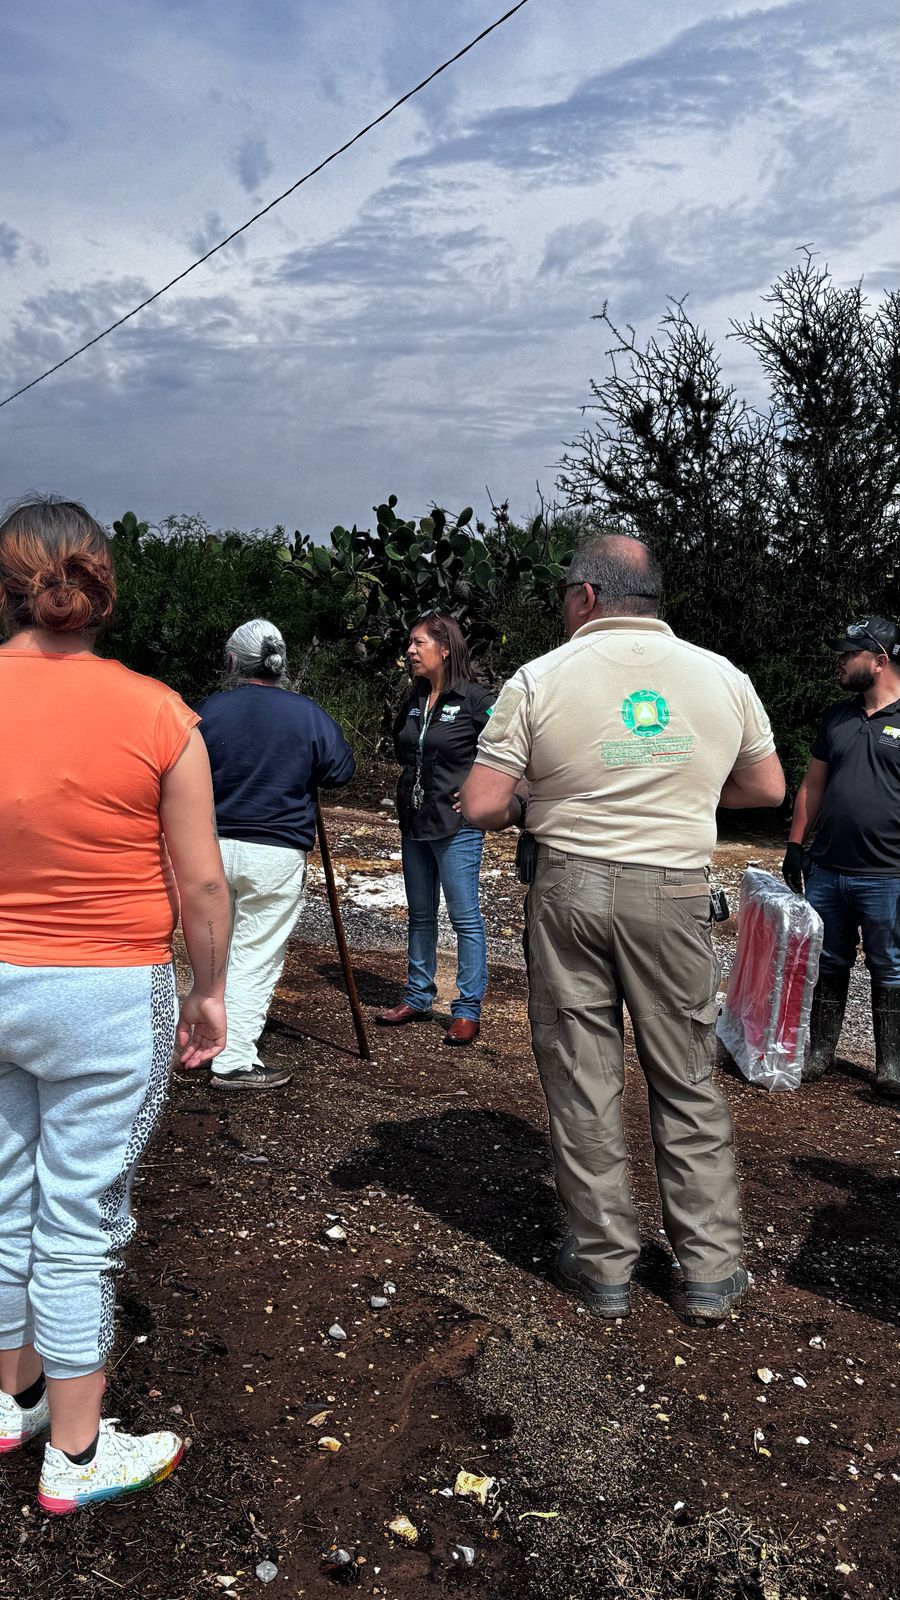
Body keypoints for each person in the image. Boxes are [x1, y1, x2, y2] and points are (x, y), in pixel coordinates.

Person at [461, 533, 785, 1323]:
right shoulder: (722, 677)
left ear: (585, 598)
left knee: (583, 1074)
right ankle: (709, 1270)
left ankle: (604, 1266)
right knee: (686, 1077)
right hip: (674, 892)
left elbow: (478, 804)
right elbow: (766, 786)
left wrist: (541, 802)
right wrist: (685, 790)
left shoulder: (539, 677)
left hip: (569, 886)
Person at [0, 495, 230, 1513]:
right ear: (102, 588)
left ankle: (13, 1403)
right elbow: (205, 886)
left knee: (5, 1202)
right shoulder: (157, 712)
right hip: (105, 992)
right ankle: (80, 1456)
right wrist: (212, 991)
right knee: (79, 1219)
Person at [197, 619, 355, 1090]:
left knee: (210, 950)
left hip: (210, 848)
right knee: (255, 954)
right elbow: (340, 770)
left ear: (232, 662)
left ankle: (205, 1039)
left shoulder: (207, 710)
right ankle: (234, 1059)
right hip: (275, 851)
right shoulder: (305, 713)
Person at [782, 616, 900, 1098]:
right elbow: (813, 784)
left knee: (889, 964)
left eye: (849, 653)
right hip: (828, 867)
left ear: (880, 658)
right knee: (829, 960)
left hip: (889, 873)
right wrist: (795, 845)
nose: (840, 660)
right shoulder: (837, 717)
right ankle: (820, 1052)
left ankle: (890, 1064)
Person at [375, 612, 494, 1046]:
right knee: (420, 915)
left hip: (457, 825)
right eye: (410, 642)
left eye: (418, 642)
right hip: (414, 822)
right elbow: (403, 748)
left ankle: (466, 1009)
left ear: (445, 648)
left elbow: (507, 752)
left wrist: (484, 795)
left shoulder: (475, 700)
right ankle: (417, 994)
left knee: (465, 918)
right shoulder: (413, 698)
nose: (409, 650)